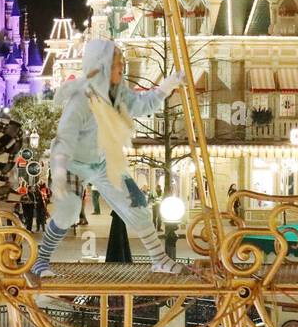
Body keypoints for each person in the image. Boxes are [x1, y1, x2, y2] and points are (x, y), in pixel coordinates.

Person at [30, 38, 186, 276]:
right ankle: (41, 261)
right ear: (100, 67)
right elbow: (65, 139)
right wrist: (60, 174)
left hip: (103, 161)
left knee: (137, 204)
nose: (121, 69)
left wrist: (166, 86)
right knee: (69, 210)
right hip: (72, 162)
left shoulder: (118, 95)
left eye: (121, 64)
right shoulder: (81, 100)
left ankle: (159, 258)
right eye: (116, 65)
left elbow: (143, 105)